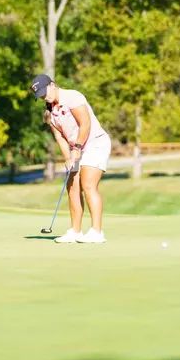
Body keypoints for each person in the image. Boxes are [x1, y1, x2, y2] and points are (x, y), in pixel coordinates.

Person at [30, 73, 112, 243]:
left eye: (46, 92)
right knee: (72, 188)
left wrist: (77, 148)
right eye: (42, 96)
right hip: (77, 148)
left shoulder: (72, 97)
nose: (45, 97)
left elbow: (85, 124)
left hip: (95, 143)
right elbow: (60, 137)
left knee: (88, 184)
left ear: (52, 85)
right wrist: (68, 157)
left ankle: (97, 232)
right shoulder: (50, 112)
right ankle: (75, 231)